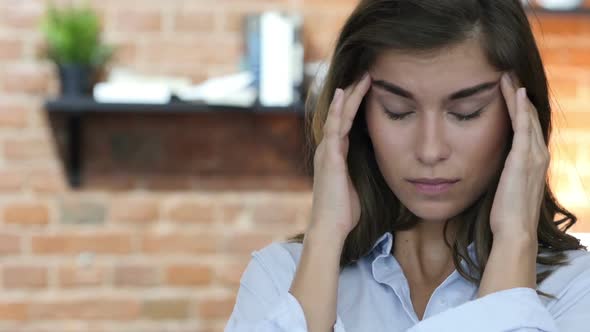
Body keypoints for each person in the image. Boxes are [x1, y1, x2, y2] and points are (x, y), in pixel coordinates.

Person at [225, 1, 590, 331]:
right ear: (358, 115)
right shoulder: (282, 277)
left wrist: (515, 241)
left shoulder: (576, 288)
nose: (430, 150)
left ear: (520, 117)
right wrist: (325, 235)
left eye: (467, 113)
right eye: (397, 111)